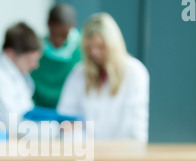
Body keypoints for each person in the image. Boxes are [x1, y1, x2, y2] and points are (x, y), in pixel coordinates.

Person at [57, 13, 150, 142]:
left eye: (100, 47)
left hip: (122, 155)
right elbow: (66, 119)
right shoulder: (79, 73)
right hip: (84, 156)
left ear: (113, 45)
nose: (95, 53)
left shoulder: (135, 72)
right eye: (90, 48)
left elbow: (135, 125)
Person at [0, 22, 42, 136]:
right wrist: (52, 130)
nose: (35, 65)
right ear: (10, 53)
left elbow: (27, 111)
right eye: (29, 59)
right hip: (4, 144)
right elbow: (12, 126)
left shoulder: (19, 75)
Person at [31, 3, 82, 110]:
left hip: (70, 116)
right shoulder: (34, 50)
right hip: (38, 115)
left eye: (64, 34)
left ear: (72, 26)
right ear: (48, 24)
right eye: (54, 33)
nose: (58, 40)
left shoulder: (82, 49)